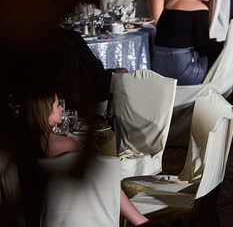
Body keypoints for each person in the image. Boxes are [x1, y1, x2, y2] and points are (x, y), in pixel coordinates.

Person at [19, 91, 163, 226]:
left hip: (35, 210)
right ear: (45, 110)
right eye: (57, 105)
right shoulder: (65, 144)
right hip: (74, 207)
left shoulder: (21, 144)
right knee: (104, 175)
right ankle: (141, 222)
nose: (62, 109)